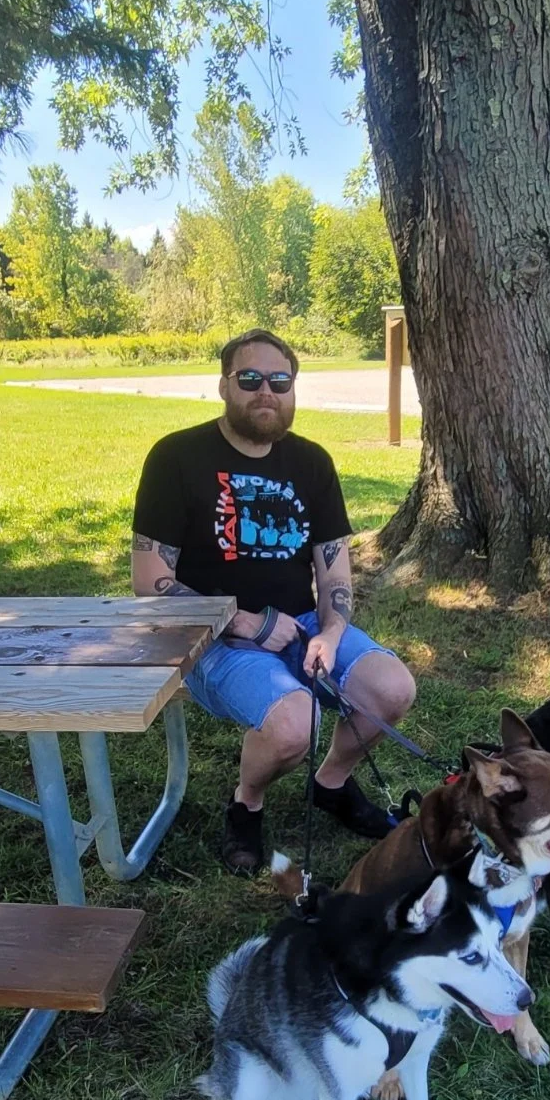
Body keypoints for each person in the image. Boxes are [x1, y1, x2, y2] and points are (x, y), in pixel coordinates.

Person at [132, 327, 417, 874]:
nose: (267, 391)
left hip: (304, 622)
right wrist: (244, 622)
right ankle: (246, 803)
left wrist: (332, 633)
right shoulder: (176, 458)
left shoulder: (311, 463)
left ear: (293, 389)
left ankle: (330, 785)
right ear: (223, 385)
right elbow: (150, 582)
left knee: (392, 689)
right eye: (250, 378)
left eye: (280, 380)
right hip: (209, 636)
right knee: (294, 724)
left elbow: (333, 568)